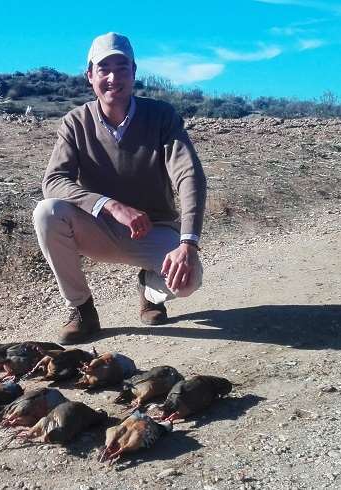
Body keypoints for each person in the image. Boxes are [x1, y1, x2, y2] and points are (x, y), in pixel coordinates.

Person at [33, 32, 207, 344]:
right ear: (90, 75)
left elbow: (188, 174)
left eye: (122, 67)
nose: (114, 77)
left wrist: (188, 243)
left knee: (188, 279)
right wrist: (109, 205)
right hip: (97, 228)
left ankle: (150, 289)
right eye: (104, 69)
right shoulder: (75, 122)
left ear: (134, 71)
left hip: (154, 229)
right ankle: (82, 310)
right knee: (47, 212)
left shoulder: (162, 116)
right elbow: (53, 182)